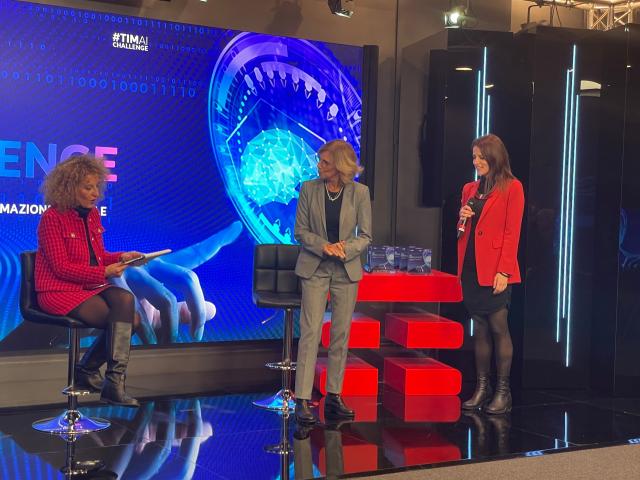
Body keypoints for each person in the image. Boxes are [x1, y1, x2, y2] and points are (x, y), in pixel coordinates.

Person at [35, 154, 142, 407]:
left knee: (129, 307)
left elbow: (98, 257)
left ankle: (108, 380)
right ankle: (97, 376)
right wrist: (105, 272)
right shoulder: (52, 218)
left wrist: (123, 257)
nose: (95, 193)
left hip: (88, 286)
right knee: (126, 320)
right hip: (58, 290)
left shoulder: (92, 215)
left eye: (97, 187)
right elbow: (62, 268)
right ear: (70, 188)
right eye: (88, 187)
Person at [293, 139, 372, 424]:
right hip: (315, 267)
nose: (319, 166)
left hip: (345, 271)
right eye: (319, 160)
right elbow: (300, 231)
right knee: (311, 332)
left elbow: (365, 236)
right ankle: (302, 399)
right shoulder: (308, 189)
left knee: (340, 335)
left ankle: (334, 396)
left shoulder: (360, 193)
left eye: (325, 162)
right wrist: (324, 246)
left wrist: (344, 249)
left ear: (339, 166)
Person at [457, 134, 524, 415]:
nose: (476, 162)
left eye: (481, 157)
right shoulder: (470, 189)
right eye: (474, 157)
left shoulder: (512, 187)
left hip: (496, 269)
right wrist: (461, 218)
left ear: (494, 157)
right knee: (480, 328)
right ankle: (482, 388)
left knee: (498, 327)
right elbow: (463, 231)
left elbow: (511, 232)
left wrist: (504, 271)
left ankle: (503, 392)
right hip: (471, 267)